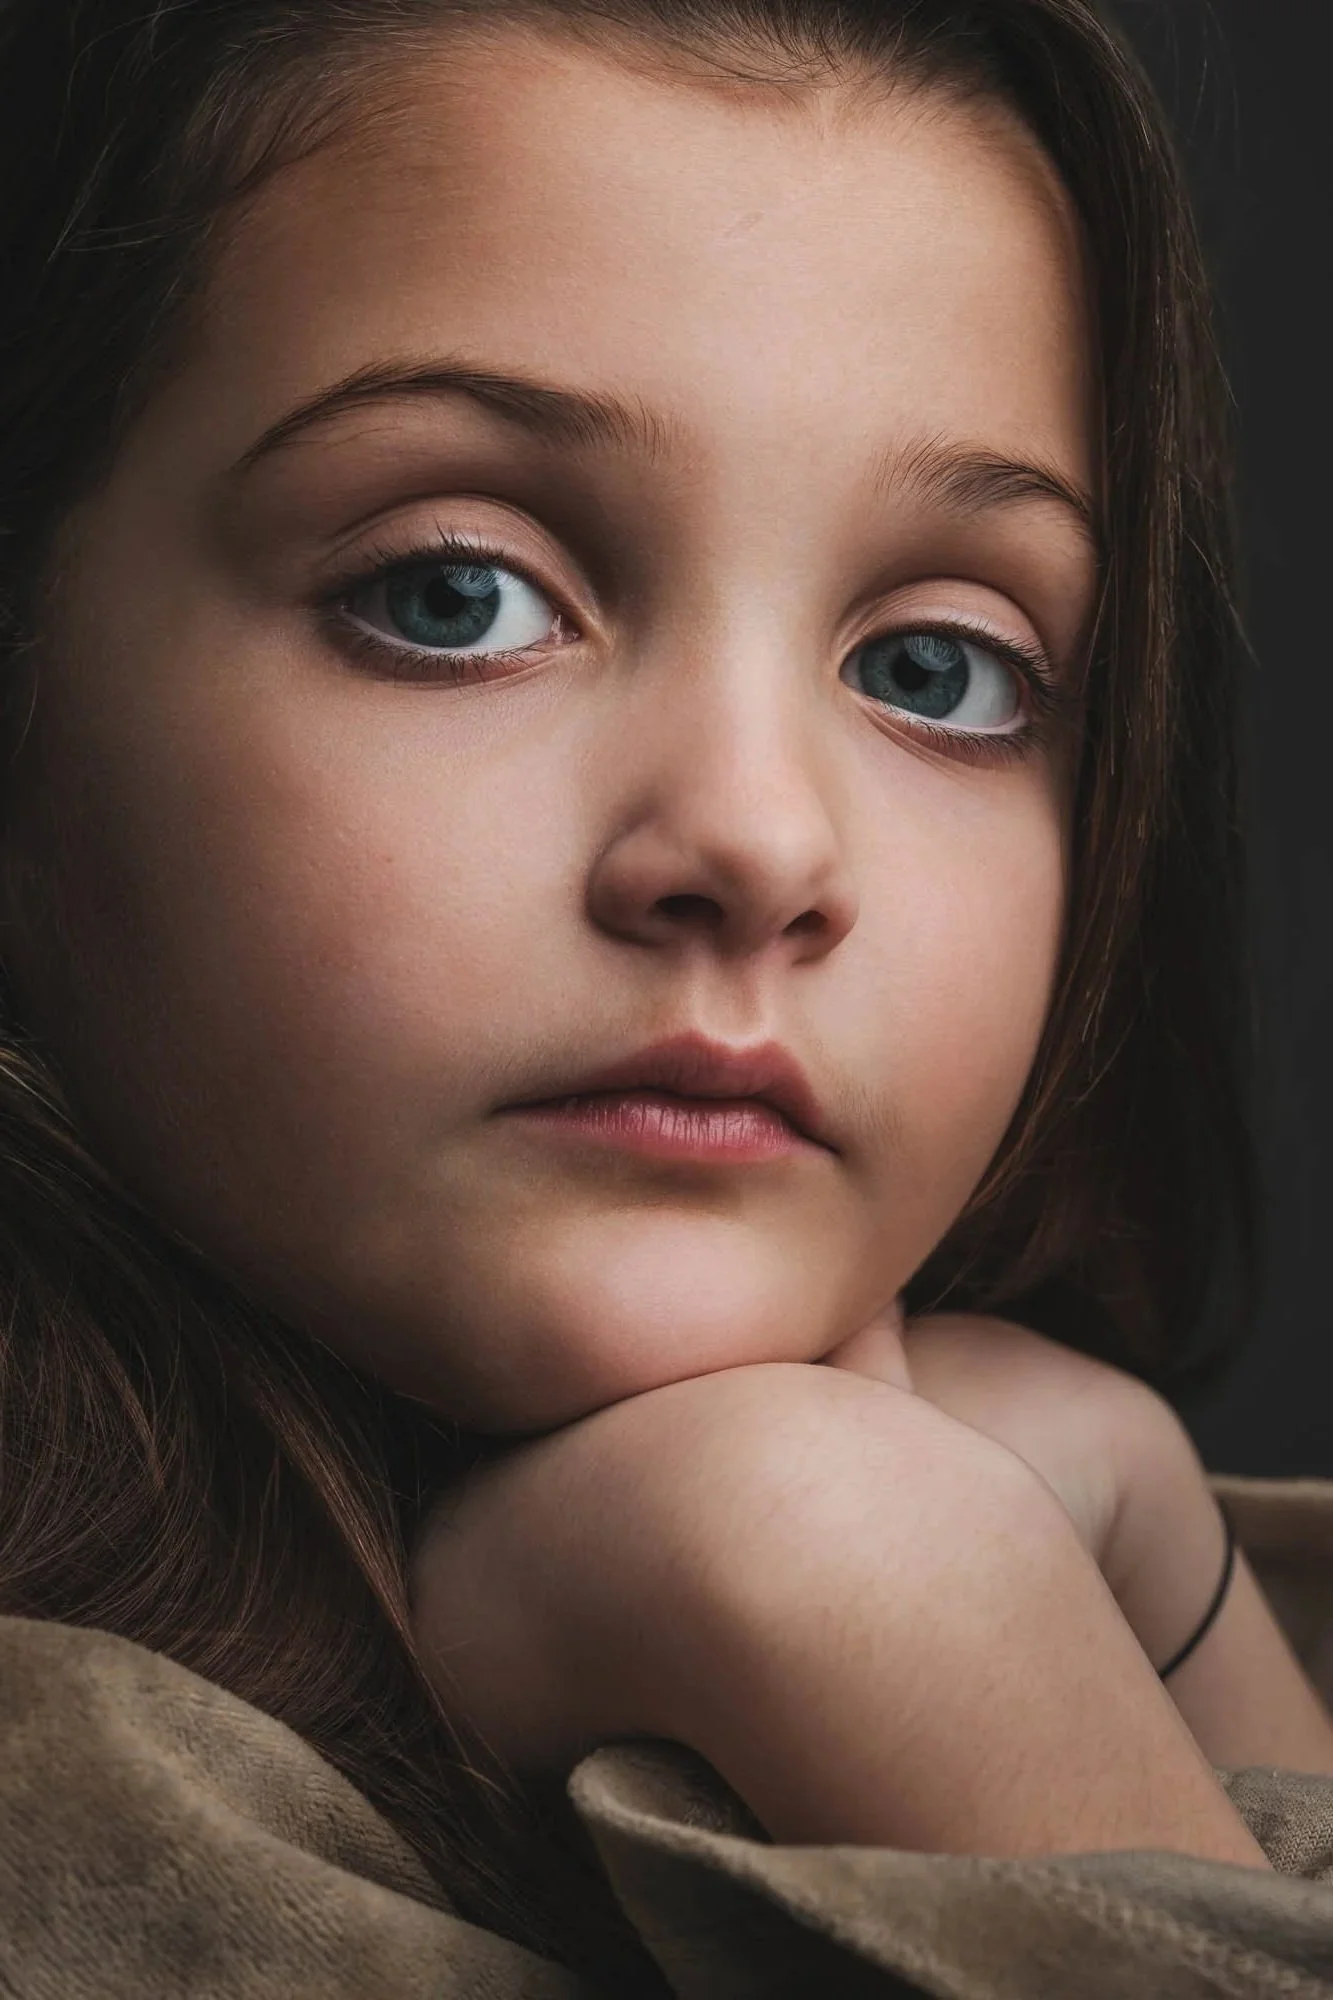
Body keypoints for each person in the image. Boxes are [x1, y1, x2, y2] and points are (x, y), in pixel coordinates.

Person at [4, 0, 1333, 1993]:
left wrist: (1144, 1569)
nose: (760, 841)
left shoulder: (1062, 1482)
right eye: (455, 594)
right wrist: (863, 1597)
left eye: (937, 669)